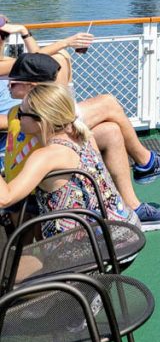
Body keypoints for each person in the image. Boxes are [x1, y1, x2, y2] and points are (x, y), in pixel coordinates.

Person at [2, 52, 160, 231]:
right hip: (26, 187)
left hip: (28, 188)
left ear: (33, 87)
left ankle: (133, 197)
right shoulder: (24, 116)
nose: (8, 84)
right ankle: (144, 168)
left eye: (14, 82)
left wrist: (61, 46)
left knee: (111, 130)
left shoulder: (28, 122)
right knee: (108, 108)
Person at [0, 16, 160, 183]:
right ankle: (147, 162)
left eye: (4, 36)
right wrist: (66, 42)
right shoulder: (5, 70)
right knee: (108, 103)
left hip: (36, 121)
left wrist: (25, 32)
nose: (3, 41)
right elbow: (37, 60)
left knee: (111, 131)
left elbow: (35, 62)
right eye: (1, 35)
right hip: (26, 131)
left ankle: (129, 205)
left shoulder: (5, 61)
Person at [0, 81, 141, 239]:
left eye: (21, 114)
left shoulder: (46, 156)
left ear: (41, 121)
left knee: (16, 260)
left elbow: (5, 199)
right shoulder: (83, 136)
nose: (17, 119)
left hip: (93, 247)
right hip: (124, 230)